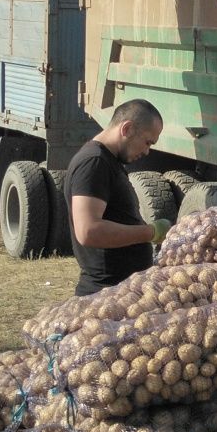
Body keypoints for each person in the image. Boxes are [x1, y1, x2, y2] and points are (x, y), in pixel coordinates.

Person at [65, 99, 169, 295]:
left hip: (118, 293)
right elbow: (88, 231)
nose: (147, 151)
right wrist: (150, 233)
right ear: (127, 129)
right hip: (104, 295)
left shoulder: (107, 162)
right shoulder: (94, 163)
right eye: (147, 142)